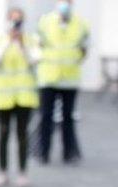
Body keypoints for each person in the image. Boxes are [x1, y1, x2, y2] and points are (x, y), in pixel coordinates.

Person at [0, 7, 39, 187]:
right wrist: (9, 41)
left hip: (24, 96)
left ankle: (23, 172)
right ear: (7, 21)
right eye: (13, 20)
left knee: (22, 134)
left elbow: (35, 60)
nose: (16, 24)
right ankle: (2, 172)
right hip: (3, 97)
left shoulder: (30, 41)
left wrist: (22, 45)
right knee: (3, 134)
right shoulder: (0, 40)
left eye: (19, 20)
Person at [36, 0, 89, 164]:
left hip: (69, 78)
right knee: (46, 117)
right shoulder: (45, 22)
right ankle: (43, 153)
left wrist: (72, 61)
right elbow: (38, 46)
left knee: (68, 117)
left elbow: (84, 49)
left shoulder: (81, 24)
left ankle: (69, 153)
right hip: (48, 78)